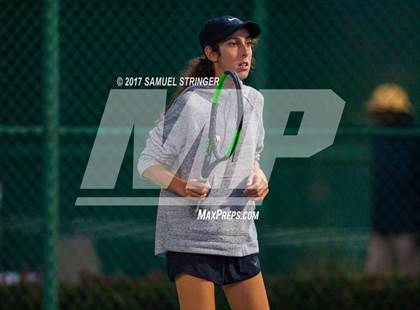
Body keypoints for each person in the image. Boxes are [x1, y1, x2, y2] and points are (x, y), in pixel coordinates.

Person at [137, 16, 270, 309]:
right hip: (191, 241)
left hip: (239, 237)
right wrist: (183, 187)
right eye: (233, 44)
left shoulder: (254, 101)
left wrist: (259, 178)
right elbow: (147, 162)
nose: (245, 52)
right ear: (211, 53)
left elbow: (253, 157)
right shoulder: (191, 104)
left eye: (248, 44)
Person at [364, 83, 420, 279]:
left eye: (383, 112)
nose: (379, 117)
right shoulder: (381, 140)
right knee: (375, 276)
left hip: (409, 226)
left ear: (396, 113)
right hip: (382, 224)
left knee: (411, 277)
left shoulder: (413, 140)